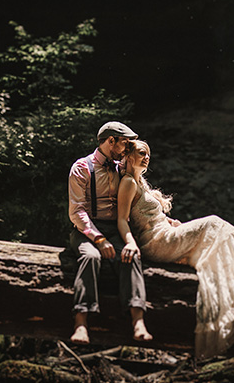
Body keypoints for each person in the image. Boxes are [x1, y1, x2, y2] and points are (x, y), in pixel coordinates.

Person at [117, 139, 234, 359]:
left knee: (217, 234)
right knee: (213, 223)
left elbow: (147, 215)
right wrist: (130, 243)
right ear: (128, 155)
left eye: (148, 154)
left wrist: (169, 221)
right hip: (155, 242)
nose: (147, 157)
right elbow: (122, 219)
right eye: (142, 153)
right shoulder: (128, 183)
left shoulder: (139, 182)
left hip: (164, 234)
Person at [68, 121, 153, 344]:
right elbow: (76, 212)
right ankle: (81, 323)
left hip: (115, 229)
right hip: (85, 230)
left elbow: (137, 198)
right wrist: (99, 239)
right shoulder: (82, 167)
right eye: (125, 143)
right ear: (111, 141)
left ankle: (138, 321)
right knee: (90, 256)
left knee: (131, 255)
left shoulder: (122, 168)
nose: (127, 149)